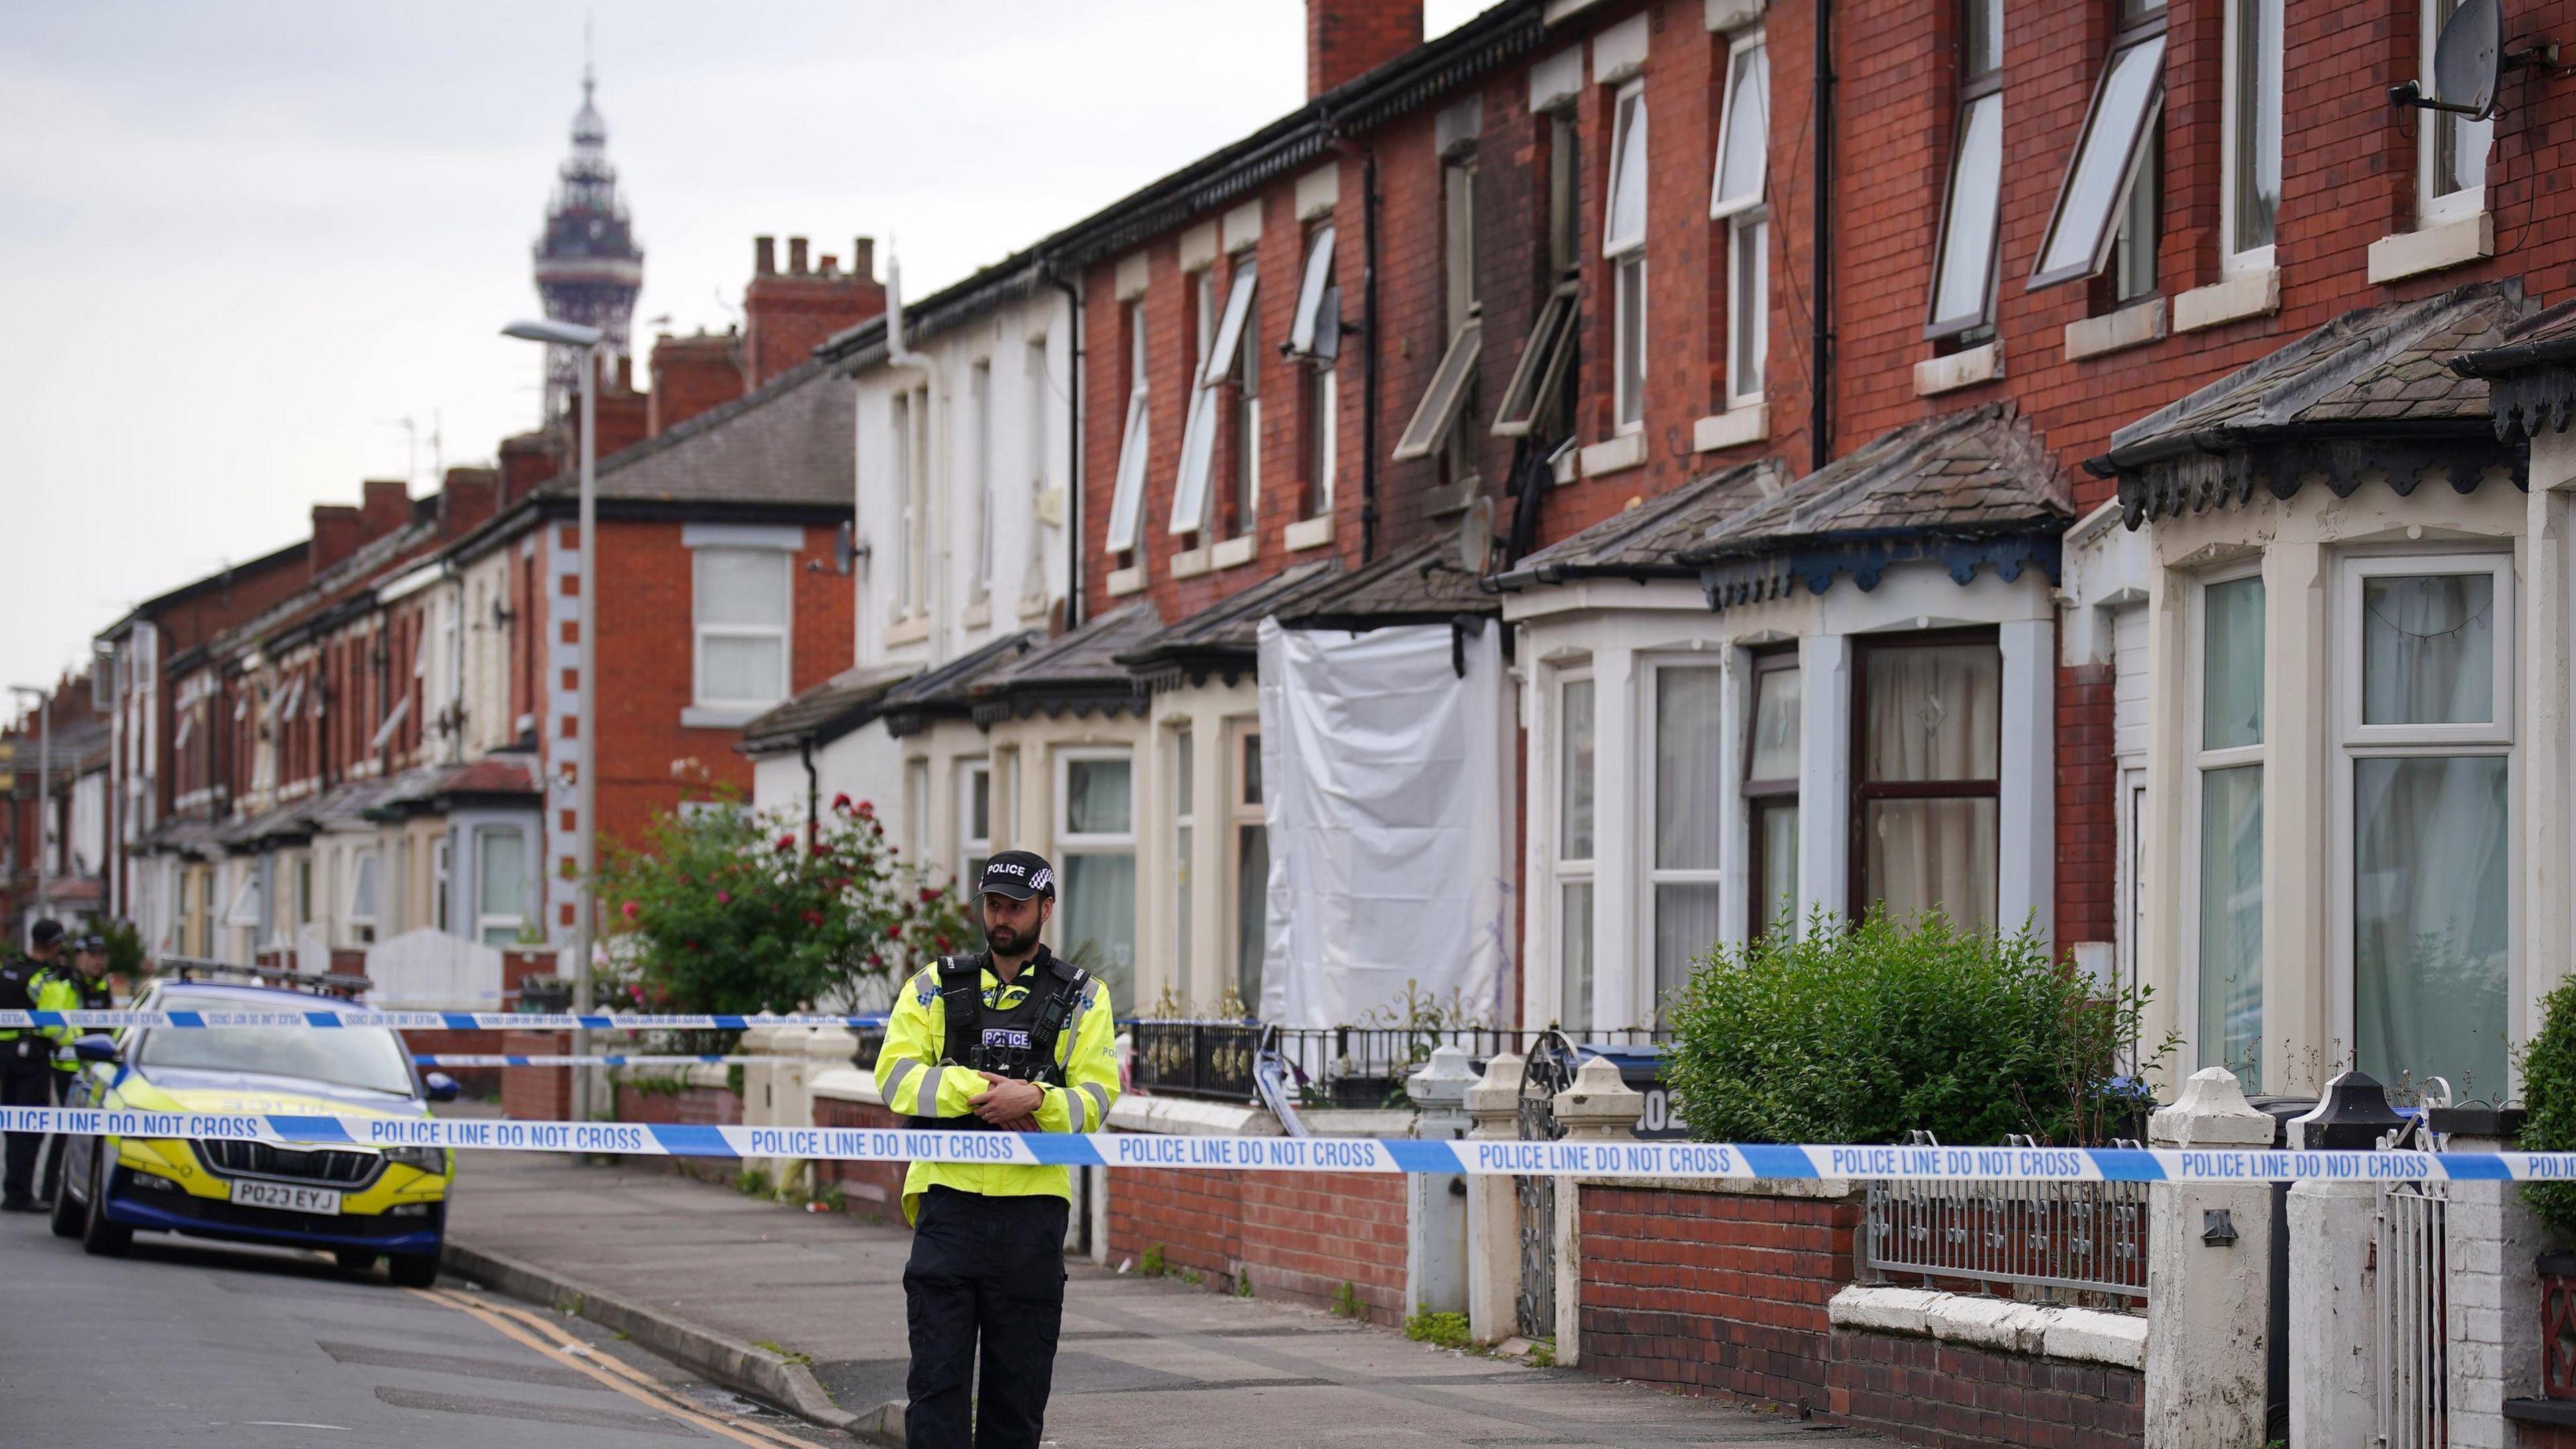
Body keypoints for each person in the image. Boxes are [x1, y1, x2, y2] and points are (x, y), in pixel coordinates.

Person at [871, 851, 1119, 1449]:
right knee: (935, 1391)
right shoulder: (933, 987)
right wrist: (982, 1091)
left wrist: (1035, 1098)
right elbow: (896, 1078)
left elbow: (1097, 1097)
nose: (1002, 917)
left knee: (1017, 1398)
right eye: (993, 904)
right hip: (947, 1208)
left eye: (1016, 906)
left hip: (1031, 1215)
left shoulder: (1084, 998)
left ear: (1046, 909)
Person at [36, 934, 113, 1203]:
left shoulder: (102, 987)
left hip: (99, 1069)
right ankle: (49, 1192)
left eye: (102, 955)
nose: (98, 961)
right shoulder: (62, 986)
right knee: (67, 1129)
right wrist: (80, 1040)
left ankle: (80, 1190)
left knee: (91, 1132)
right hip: (69, 1066)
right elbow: (50, 1025)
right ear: (79, 956)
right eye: (92, 955)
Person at [0, 919, 67, 1212]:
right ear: (54, 945)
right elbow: (54, 1026)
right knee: (30, 1125)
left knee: (12, 1124)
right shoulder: (45, 980)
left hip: (4, 1054)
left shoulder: (8, 969)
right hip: (31, 1058)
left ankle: (13, 1189)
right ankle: (21, 1194)